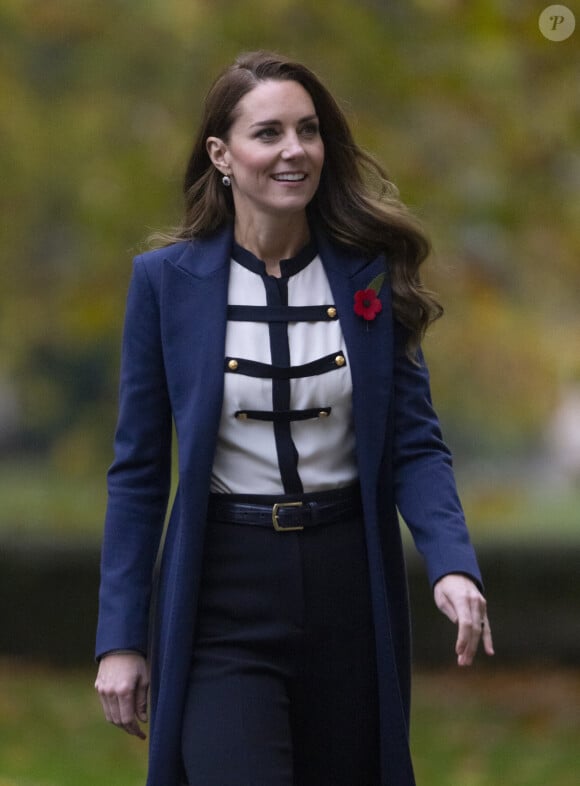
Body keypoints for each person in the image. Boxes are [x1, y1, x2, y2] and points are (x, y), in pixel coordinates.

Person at [95, 50, 494, 786]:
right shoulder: (164, 284)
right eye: (269, 132)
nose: (294, 150)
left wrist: (451, 564)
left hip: (350, 586)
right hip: (224, 597)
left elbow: (414, 443)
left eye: (307, 131)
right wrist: (120, 638)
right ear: (222, 153)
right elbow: (139, 471)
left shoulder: (368, 271)